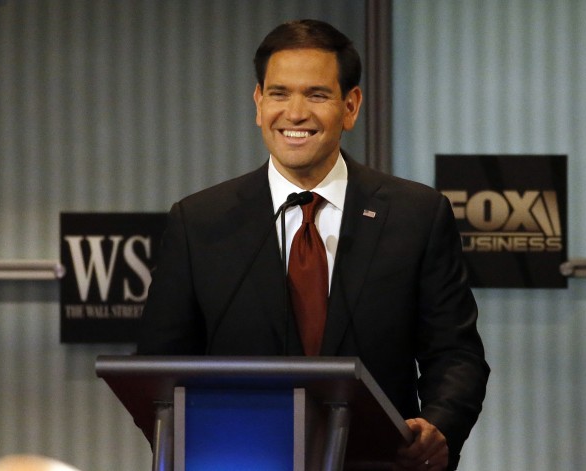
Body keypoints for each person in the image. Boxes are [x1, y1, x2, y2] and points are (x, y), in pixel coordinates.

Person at [137, 19, 489, 471]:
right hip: (238, 459)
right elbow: (156, 369)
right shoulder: (199, 221)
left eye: (317, 95)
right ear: (258, 103)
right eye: (279, 93)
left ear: (350, 106)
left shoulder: (416, 214)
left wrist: (438, 425)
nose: (295, 113)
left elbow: (456, 354)